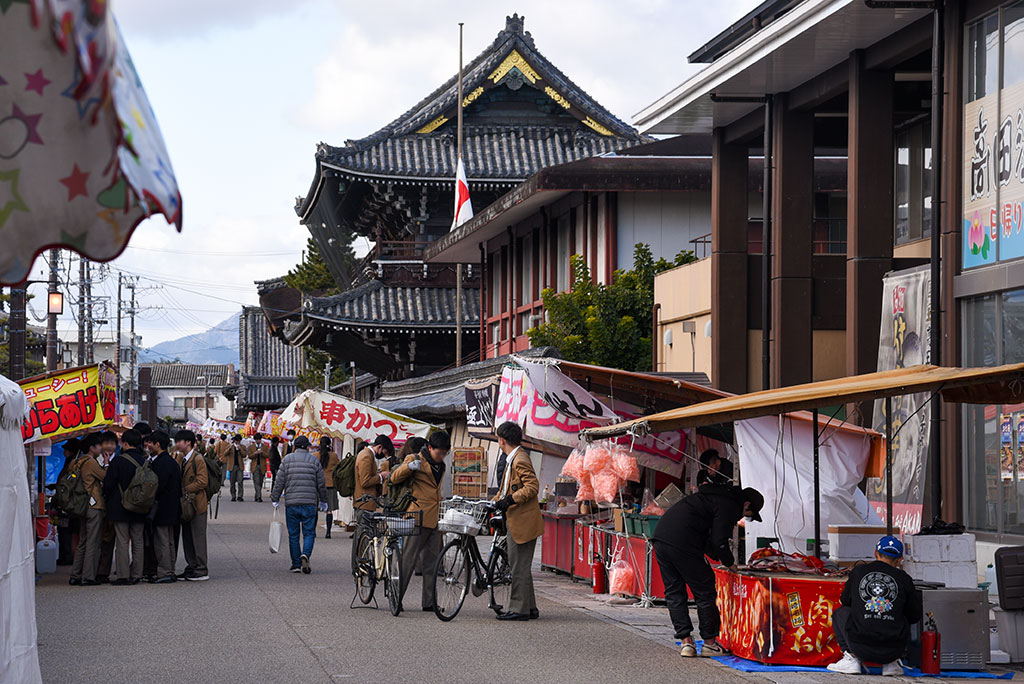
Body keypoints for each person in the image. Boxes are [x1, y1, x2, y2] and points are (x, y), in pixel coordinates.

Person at [651, 481, 765, 657]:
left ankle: (686, 642)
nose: (743, 517)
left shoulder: (712, 497)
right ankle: (710, 642)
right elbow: (719, 540)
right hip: (683, 541)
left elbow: (709, 539)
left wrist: (721, 557)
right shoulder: (730, 505)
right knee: (705, 590)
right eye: (748, 514)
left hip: (661, 537)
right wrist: (730, 563)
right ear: (746, 504)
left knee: (674, 591)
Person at [827, 536, 922, 676]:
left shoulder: (859, 571)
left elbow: (845, 601)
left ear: (875, 553)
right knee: (904, 613)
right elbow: (914, 615)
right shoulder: (904, 578)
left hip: (859, 646)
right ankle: (892, 664)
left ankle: (852, 658)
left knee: (841, 612)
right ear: (900, 560)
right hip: (893, 649)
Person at [392, 430, 449, 612]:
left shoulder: (442, 465)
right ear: (430, 447)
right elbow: (394, 478)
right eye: (439, 453)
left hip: (434, 518)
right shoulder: (413, 458)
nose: (441, 457)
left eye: (444, 453)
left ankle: (429, 602)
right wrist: (408, 468)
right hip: (415, 517)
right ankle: (396, 598)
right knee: (407, 562)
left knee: (432, 563)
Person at [492, 422, 544, 621]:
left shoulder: (519, 459)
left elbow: (532, 487)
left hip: (522, 520)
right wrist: (494, 501)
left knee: (517, 566)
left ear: (502, 440)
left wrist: (511, 500)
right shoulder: (513, 458)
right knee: (521, 565)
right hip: (517, 519)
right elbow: (507, 488)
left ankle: (518, 610)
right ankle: (530, 607)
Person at [271, 436, 328, 574]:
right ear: (307, 447)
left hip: (292, 503)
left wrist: (275, 497)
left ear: (295, 447)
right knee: (309, 533)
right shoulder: (314, 461)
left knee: (293, 534)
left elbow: (279, 481)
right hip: (309, 503)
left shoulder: (287, 460)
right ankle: (305, 554)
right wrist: (323, 500)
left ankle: (296, 564)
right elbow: (321, 483)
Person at [103, 428, 147, 586]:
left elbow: (108, 485)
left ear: (126, 443)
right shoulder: (145, 461)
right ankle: (137, 574)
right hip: (140, 506)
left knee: (122, 541)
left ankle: (123, 575)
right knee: (138, 540)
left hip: (120, 506)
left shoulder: (118, 461)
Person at [69, 434, 106, 586]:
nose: (100, 449)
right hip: (93, 505)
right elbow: (105, 477)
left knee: (82, 541)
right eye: (98, 446)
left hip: (80, 505)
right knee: (93, 541)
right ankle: (88, 576)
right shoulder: (91, 462)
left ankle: (75, 574)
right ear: (92, 448)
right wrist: (107, 463)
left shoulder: (75, 462)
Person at [145, 431, 181, 583]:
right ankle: (170, 569)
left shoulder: (159, 463)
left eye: (151, 443)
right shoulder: (171, 461)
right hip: (173, 507)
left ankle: (165, 571)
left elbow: (157, 486)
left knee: (162, 541)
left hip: (161, 508)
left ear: (158, 444)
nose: (148, 446)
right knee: (170, 541)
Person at [174, 430, 210, 581]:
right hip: (186, 504)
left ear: (188, 442)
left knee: (198, 536)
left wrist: (185, 489)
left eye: (179, 441)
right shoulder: (181, 458)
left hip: (197, 503)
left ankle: (201, 568)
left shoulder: (198, 459)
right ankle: (192, 566)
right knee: (187, 536)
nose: (176, 444)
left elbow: (203, 481)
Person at [354, 435, 392, 516]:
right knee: (364, 527)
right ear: (379, 447)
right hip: (364, 503)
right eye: (385, 451)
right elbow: (365, 481)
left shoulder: (368, 454)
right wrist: (381, 476)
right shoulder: (366, 456)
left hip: (365, 502)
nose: (385, 455)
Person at [317, 437, 340, 538]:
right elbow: (338, 468)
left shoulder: (314, 456)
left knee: (314, 509)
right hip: (330, 485)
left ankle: (313, 532)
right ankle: (328, 532)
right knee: (329, 510)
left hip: (317, 485)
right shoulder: (334, 456)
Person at [249, 433, 269, 502]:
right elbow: (249, 456)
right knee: (256, 481)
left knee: (260, 481)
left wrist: (262, 453)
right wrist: (254, 453)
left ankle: (257, 495)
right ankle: (259, 497)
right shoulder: (251, 447)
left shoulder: (265, 446)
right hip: (255, 466)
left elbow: (268, 455)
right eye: (256, 440)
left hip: (262, 466)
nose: (258, 441)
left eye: (259, 440)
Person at [227, 434, 246, 502]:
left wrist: (240, 449)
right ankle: (233, 495)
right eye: (237, 441)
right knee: (232, 483)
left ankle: (240, 496)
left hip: (239, 466)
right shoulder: (230, 446)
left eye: (239, 441)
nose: (238, 442)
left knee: (240, 481)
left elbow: (244, 455)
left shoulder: (243, 446)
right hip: (232, 466)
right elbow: (225, 453)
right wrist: (229, 448)